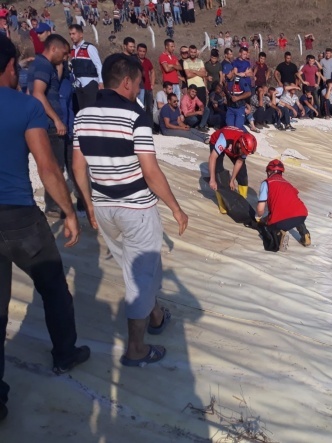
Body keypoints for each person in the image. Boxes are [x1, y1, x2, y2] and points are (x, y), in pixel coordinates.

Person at [73, 53, 188, 367]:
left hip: (105, 206)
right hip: (136, 208)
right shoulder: (135, 116)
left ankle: (156, 315)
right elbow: (150, 172)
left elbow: (78, 164)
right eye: (138, 83)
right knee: (139, 276)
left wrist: (89, 205)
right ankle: (136, 349)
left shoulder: (82, 115)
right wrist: (176, 208)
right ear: (126, 82)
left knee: (134, 268)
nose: (139, 89)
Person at [0, 35, 90, 423]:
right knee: (53, 286)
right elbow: (48, 168)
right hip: (19, 217)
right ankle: (64, 353)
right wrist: (70, 212)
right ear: (8, 67)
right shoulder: (24, 107)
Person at [27, 34, 71, 218]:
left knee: (54, 165)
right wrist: (57, 120)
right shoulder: (44, 65)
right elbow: (37, 93)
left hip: (45, 122)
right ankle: (54, 205)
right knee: (56, 166)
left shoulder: (42, 65)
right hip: (50, 124)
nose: (66, 56)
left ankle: (55, 204)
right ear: (54, 49)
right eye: (64, 52)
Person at [256, 160, 311, 252]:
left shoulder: (266, 183)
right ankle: (305, 233)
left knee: (269, 227)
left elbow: (260, 209)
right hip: (302, 214)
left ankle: (280, 234)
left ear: (269, 171)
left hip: (282, 218)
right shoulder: (287, 183)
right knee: (294, 212)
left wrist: (259, 217)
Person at [207, 128, 257, 213]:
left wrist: (232, 180)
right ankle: (223, 203)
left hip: (233, 148)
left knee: (242, 173)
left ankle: (242, 201)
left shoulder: (246, 147)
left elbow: (239, 162)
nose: (244, 154)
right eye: (243, 152)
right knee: (218, 171)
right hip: (217, 142)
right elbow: (212, 158)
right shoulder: (225, 139)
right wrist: (212, 179)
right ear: (239, 144)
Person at [69, 24, 103, 111]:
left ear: (81, 34)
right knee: (82, 110)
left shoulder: (89, 48)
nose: (72, 36)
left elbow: (98, 65)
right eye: (70, 34)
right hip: (79, 85)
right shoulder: (73, 50)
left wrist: (101, 82)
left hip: (90, 83)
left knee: (92, 110)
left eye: (74, 33)